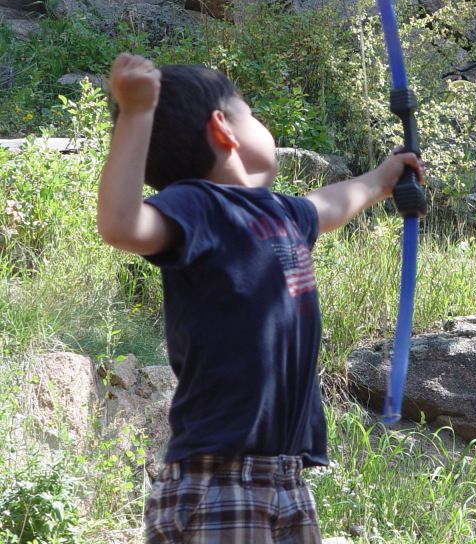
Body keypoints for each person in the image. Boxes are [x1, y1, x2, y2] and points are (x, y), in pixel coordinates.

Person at [96, 53, 424, 544]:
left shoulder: (280, 212)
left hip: (284, 475)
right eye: (252, 112)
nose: (262, 122)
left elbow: (327, 205)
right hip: (221, 478)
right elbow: (121, 225)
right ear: (224, 129)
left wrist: (380, 181)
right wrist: (137, 112)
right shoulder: (197, 205)